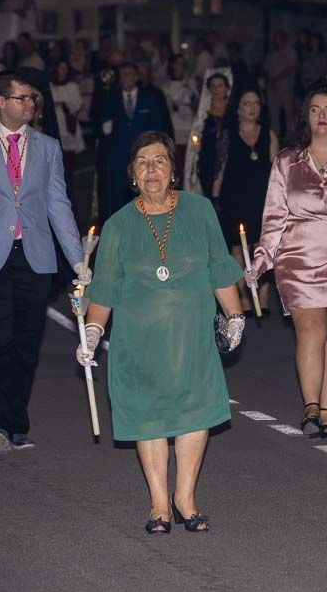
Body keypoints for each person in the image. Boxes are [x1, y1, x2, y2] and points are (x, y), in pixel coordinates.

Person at [77, 131, 246, 534]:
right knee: (148, 418)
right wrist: (92, 331)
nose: (151, 169)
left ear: (173, 170)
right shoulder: (118, 225)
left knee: (194, 413)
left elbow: (218, 267)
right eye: (142, 162)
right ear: (133, 175)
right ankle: (158, 503)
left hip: (192, 342)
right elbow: (104, 289)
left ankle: (185, 498)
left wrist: (235, 316)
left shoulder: (200, 210)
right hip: (139, 346)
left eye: (159, 160)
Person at [0, 70, 90, 452]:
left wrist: (78, 259)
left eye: (32, 99)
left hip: (35, 258)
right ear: (0, 102)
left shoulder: (48, 147)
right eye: (22, 98)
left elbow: (59, 205)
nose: (31, 105)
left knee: (25, 346)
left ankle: (17, 424)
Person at [246, 82, 327, 439]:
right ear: (306, 115)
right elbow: (273, 218)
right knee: (310, 329)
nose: (322, 116)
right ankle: (310, 405)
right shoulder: (287, 162)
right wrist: (260, 263)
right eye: (316, 109)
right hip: (298, 256)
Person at [217, 87, 278, 314]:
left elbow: (276, 172)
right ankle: (242, 294)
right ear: (238, 109)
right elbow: (220, 169)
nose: (252, 108)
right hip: (235, 197)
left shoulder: (268, 135)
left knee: (260, 246)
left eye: (256, 103)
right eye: (246, 103)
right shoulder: (228, 135)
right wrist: (214, 198)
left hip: (261, 198)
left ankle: (262, 292)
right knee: (237, 247)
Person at [99, 62, 174, 217]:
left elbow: (156, 130)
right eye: (122, 75)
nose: (125, 78)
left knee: (145, 195)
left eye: (128, 74)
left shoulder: (150, 99)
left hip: (144, 159)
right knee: (119, 198)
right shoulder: (111, 99)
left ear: (136, 77)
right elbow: (104, 129)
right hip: (119, 159)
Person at [195, 72, 236, 206]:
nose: (216, 89)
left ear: (227, 88)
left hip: (229, 163)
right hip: (207, 162)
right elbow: (196, 139)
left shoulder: (234, 112)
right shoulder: (203, 114)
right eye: (213, 86)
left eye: (220, 86)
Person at [49, 58, 85, 178]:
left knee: (68, 161)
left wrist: (63, 104)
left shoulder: (72, 86)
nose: (63, 71)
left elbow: (77, 103)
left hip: (68, 125)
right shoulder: (50, 85)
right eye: (61, 68)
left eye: (65, 68)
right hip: (55, 124)